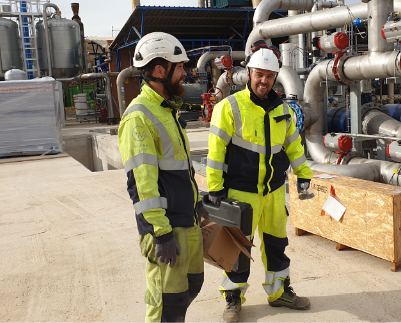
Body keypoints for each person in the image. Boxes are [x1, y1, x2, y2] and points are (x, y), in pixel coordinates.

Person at [206, 40, 313, 323]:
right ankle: (233, 298)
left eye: (269, 76)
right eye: (259, 74)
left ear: (275, 78)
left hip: (274, 191)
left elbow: (294, 148)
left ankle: (279, 293)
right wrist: (215, 189)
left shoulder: (283, 110)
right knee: (238, 248)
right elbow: (215, 151)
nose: (264, 81)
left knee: (277, 243)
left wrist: (304, 175)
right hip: (241, 193)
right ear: (249, 73)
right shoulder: (230, 107)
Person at [118, 32, 209, 323]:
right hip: (166, 228)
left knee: (190, 287)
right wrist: (161, 233)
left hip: (186, 219)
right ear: (160, 70)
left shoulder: (168, 110)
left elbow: (179, 170)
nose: (185, 73)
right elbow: (142, 184)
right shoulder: (139, 117)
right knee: (165, 306)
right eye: (180, 67)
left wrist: (197, 203)